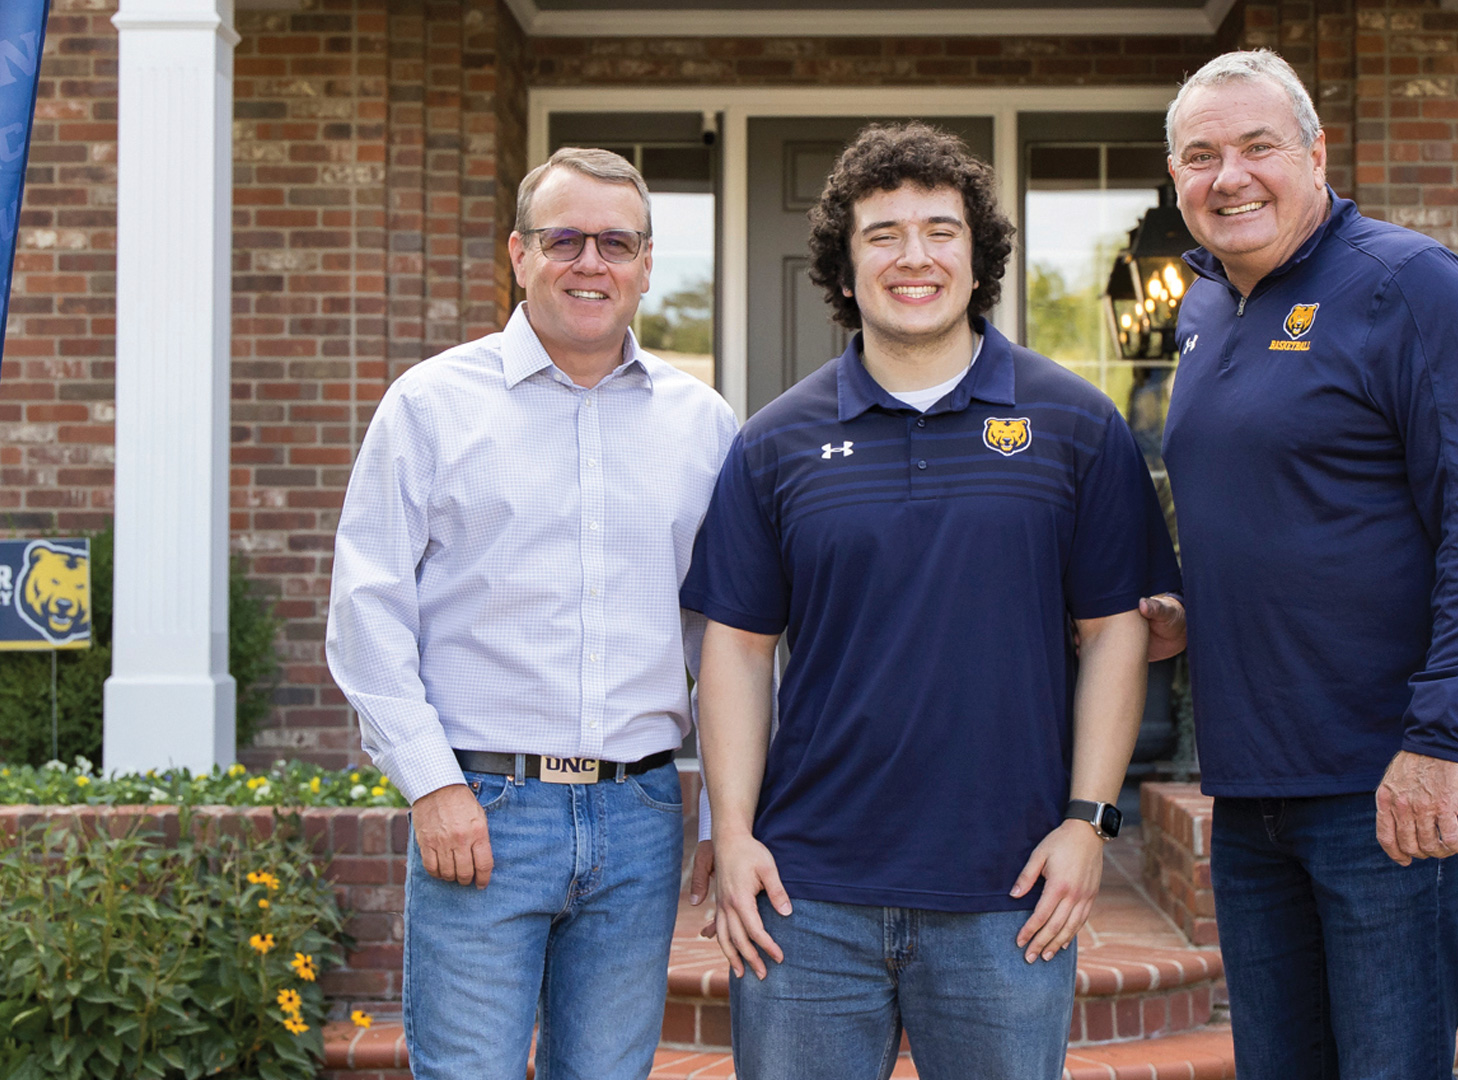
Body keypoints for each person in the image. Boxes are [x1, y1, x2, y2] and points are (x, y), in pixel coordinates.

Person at [680, 122, 1181, 1080]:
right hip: (805, 896)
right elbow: (737, 649)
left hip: (1011, 891)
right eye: (884, 234)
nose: (915, 257)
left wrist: (1089, 822)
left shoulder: (1074, 424)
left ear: (978, 253)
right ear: (845, 261)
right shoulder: (775, 443)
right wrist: (733, 835)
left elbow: (1116, 632)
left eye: (941, 230)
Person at [1154, 50, 1458, 1079]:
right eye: (1200, 156)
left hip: (1389, 778)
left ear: (1316, 154)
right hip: (1250, 781)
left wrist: (1439, 740)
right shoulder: (1202, 311)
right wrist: (1181, 607)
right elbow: (1276, 513)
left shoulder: (1408, 286)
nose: (1228, 176)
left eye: (1256, 147)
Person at [325, 147, 737, 1080]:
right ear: (518, 253)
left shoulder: (703, 425)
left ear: (644, 263)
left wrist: (721, 810)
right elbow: (367, 611)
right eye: (565, 239)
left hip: (638, 813)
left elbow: (726, 640)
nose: (591, 262)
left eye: (616, 243)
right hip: (483, 809)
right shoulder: (429, 407)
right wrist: (432, 787)